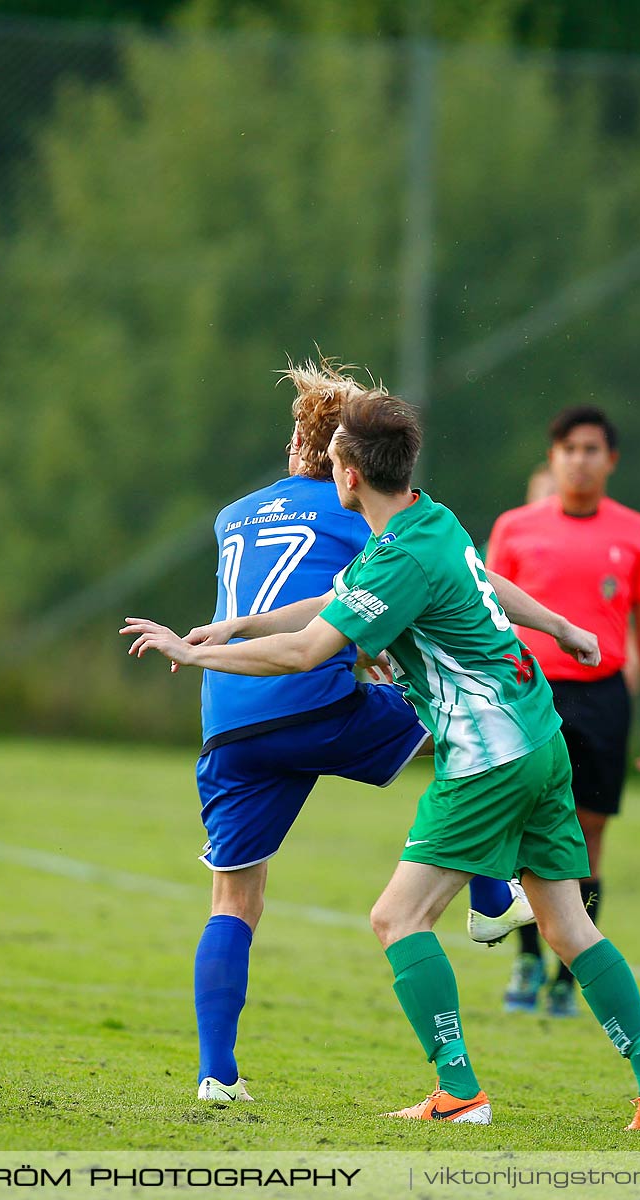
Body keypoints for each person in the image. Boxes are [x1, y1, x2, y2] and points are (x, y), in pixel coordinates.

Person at [125, 388, 640, 1132]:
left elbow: (309, 651)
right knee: (567, 923)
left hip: (487, 757)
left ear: (350, 475)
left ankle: (459, 1090)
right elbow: (344, 599)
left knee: (397, 918)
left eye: (333, 462)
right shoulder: (432, 521)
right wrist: (232, 626)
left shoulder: (396, 559)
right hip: (539, 735)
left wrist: (183, 649)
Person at [169, 359, 433, 1102]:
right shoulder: (363, 506)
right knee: (460, 726)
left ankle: (216, 1075)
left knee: (234, 899)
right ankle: (486, 890)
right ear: (352, 459)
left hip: (228, 715)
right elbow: (395, 591)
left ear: (297, 447)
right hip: (313, 701)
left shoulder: (235, 514)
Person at [473, 406, 640, 1017]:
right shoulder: (515, 527)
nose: (578, 460)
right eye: (568, 448)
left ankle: (569, 973)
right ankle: (528, 960)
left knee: (589, 836)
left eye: (591, 449)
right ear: (552, 457)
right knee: (523, 830)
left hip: (604, 695)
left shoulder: (638, 532)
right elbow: (484, 614)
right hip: (529, 691)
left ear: (610, 460)